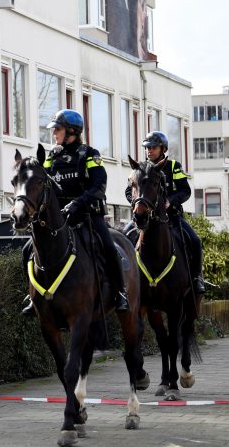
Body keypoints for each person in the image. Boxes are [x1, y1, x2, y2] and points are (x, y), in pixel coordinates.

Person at [21, 109, 130, 315]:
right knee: (28, 249)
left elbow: (99, 186)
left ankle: (120, 292)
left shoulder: (89, 154)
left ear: (71, 131)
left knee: (109, 247)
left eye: (58, 130)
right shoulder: (52, 156)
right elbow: (45, 183)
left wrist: (77, 203)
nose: (54, 134)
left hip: (88, 215)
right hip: (59, 218)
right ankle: (32, 295)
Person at [125, 131, 205, 294]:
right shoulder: (139, 168)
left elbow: (185, 190)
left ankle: (196, 278)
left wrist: (170, 202)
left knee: (195, 241)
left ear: (163, 149)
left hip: (171, 217)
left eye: (153, 147)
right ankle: (123, 282)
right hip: (145, 218)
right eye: (147, 147)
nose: (149, 151)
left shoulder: (174, 166)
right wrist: (138, 203)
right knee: (124, 237)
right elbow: (128, 191)